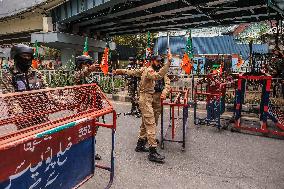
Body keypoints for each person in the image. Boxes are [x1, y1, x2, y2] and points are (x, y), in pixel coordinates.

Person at [113, 52, 172, 164]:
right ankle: (152, 152)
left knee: (147, 122)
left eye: (160, 61)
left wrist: (120, 71)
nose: (159, 63)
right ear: (152, 61)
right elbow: (156, 76)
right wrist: (169, 62)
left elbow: (133, 72)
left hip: (151, 98)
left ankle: (140, 144)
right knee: (150, 123)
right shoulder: (149, 70)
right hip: (146, 99)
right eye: (157, 61)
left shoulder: (149, 69)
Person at [0, 44, 47, 129]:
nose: (27, 59)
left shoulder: (36, 73)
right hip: (23, 117)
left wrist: (60, 101)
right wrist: (20, 114)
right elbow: (10, 98)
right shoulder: (8, 75)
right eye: (24, 56)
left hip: (41, 112)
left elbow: (46, 90)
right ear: (16, 57)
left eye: (29, 56)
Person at [74, 54, 102, 161]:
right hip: (84, 108)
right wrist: (89, 70)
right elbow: (77, 77)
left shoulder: (90, 76)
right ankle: (81, 152)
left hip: (94, 107)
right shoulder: (77, 74)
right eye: (87, 64)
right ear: (80, 65)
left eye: (90, 64)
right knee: (83, 130)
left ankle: (91, 150)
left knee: (93, 129)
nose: (89, 66)